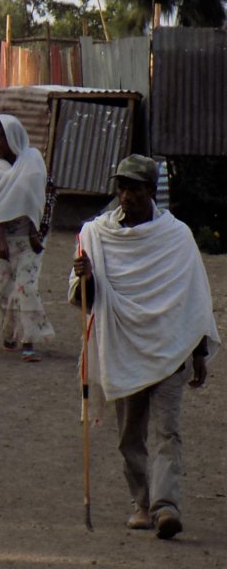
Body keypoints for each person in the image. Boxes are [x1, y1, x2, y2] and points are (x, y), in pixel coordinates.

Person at [71, 154, 220, 539]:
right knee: (129, 435)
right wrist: (84, 277)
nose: (126, 196)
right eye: (121, 187)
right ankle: (141, 501)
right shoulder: (97, 237)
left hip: (171, 350)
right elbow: (84, 298)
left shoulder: (176, 236)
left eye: (135, 188)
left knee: (167, 431)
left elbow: (194, 296)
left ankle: (166, 506)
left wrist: (199, 350)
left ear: (151, 192)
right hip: (124, 347)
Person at [0, 115, 54, 362]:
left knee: (26, 288)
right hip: (4, 240)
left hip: (29, 239)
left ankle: (28, 340)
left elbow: (39, 199)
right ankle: (9, 333)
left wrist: (36, 232)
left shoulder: (32, 162)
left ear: (13, 137)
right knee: (3, 290)